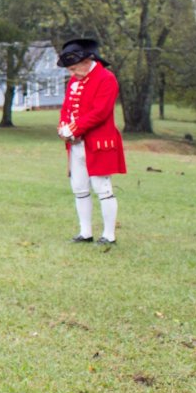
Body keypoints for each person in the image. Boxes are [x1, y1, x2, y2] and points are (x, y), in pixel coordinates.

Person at [56, 38, 126, 245]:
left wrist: (75, 128)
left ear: (87, 61)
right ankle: (85, 232)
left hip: (98, 143)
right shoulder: (75, 81)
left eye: (74, 69)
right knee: (79, 188)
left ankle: (109, 235)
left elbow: (100, 112)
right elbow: (67, 107)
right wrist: (63, 127)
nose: (72, 74)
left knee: (103, 189)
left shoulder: (106, 78)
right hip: (76, 144)